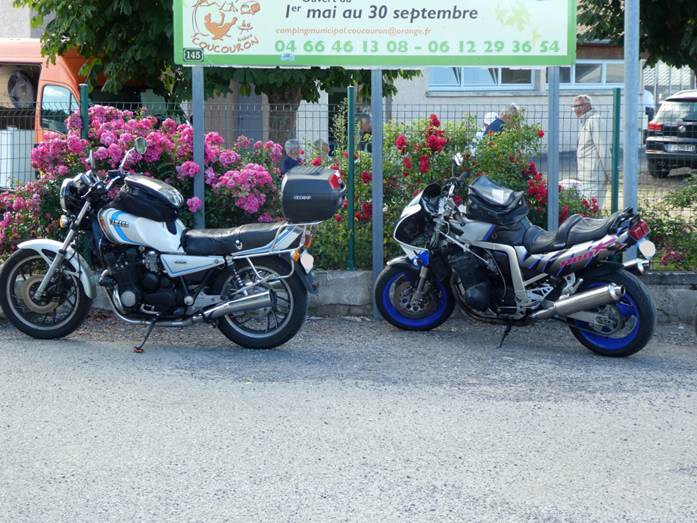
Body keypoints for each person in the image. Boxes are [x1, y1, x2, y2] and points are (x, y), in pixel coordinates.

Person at [573, 94, 611, 211]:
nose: (576, 109)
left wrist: (610, 175)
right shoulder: (585, 121)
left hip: (594, 177)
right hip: (585, 177)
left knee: (591, 212)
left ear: (588, 106)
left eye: (580, 106)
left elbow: (603, 149)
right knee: (588, 212)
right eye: (575, 106)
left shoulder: (595, 120)